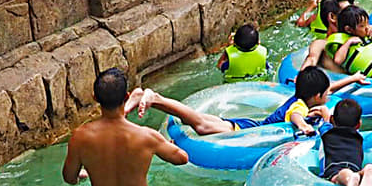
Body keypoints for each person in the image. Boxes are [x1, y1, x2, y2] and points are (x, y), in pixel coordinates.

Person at [62, 66, 185, 186]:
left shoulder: (80, 137)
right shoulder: (146, 136)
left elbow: (70, 178)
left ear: (95, 97)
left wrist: (84, 173)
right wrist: (170, 144)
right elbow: (181, 159)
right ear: (126, 97)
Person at [128, 66, 331, 140]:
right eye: (328, 92)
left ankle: (146, 98)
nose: (330, 95)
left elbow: (307, 104)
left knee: (196, 118)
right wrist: (304, 126)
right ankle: (155, 99)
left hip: (248, 125)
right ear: (317, 94)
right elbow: (295, 116)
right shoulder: (300, 107)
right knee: (199, 124)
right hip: (246, 131)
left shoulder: (301, 99)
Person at [315, 98, 372, 186]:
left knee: (341, 175)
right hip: (354, 164)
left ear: (332, 120)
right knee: (354, 172)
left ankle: (351, 179)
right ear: (358, 125)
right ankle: (367, 170)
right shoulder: (358, 136)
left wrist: (324, 113)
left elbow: (324, 123)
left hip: (335, 168)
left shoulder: (327, 132)